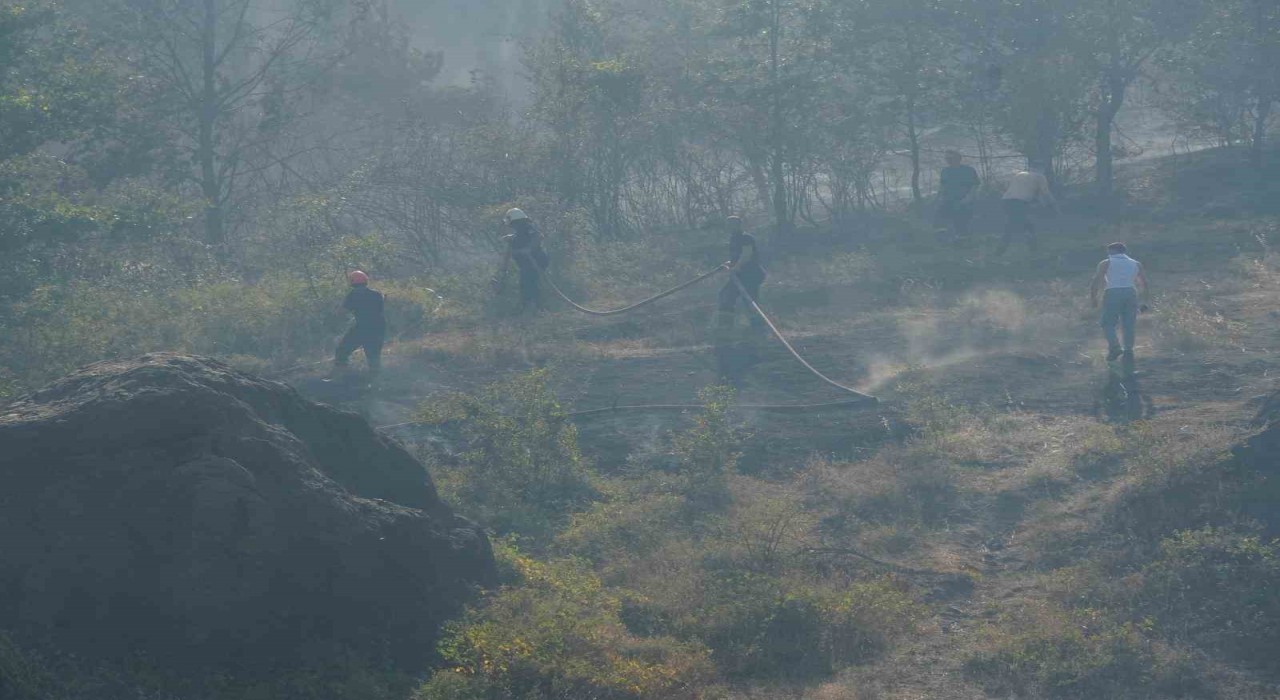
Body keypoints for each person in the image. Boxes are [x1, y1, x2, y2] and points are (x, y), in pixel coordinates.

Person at [1090, 243, 1149, 375]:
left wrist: (1093, 297)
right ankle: (1128, 351)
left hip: (1112, 291)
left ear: (1113, 250)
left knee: (1107, 322)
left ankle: (1115, 347)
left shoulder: (1106, 263)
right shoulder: (1136, 263)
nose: (1108, 253)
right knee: (1129, 323)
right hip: (1130, 291)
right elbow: (1144, 282)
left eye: (1109, 250)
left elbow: (1097, 280)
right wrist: (1145, 301)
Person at [717, 216, 767, 334]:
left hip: (751, 275)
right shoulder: (733, 239)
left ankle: (758, 327)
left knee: (749, 301)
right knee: (725, 295)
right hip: (740, 275)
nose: (728, 227)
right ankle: (725, 327)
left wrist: (736, 268)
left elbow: (746, 255)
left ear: (738, 225)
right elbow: (736, 257)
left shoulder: (746, 238)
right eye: (728, 224)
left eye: (731, 224)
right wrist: (728, 264)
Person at [997, 162, 1058, 256]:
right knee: (1021, 226)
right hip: (1020, 203)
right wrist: (1053, 205)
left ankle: (1003, 249)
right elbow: (1045, 193)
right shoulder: (1040, 176)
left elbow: (1022, 190)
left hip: (1006, 201)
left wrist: (1043, 204)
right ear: (1042, 167)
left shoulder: (1019, 175)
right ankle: (1031, 249)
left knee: (1012, 223)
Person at [334, 270, 386, 377]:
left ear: (352, 282)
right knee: (373, 356)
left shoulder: (352, 295)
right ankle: (375, 382)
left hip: (361, 328)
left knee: (342, 351)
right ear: (366, 281)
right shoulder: (376, 294)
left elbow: (341, 312)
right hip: (379, 328)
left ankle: (341, 376)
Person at [500, 208, 550, 313]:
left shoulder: (528, 227)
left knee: (529, 283)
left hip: (536, 261)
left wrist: (528, 249)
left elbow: (538, 236)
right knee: (527, 283)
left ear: (515, 221)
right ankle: (531, 307)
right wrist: (511, 237)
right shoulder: (519, 231)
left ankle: (535, 308)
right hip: (527, 264)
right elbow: (521, 237)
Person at [935, 150, 981, 241]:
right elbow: (942, 186)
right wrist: (939, 198)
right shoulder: (945, 171)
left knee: (961, 220)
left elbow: (975, 185)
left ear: (958, 159)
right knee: (941, 219)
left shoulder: (968, 170)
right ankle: (944, 239)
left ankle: (963, 240)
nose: (949, 161)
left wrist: (969, 197)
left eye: (951, 158)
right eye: (947, 159)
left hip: (963, 199)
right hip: (948, 200)